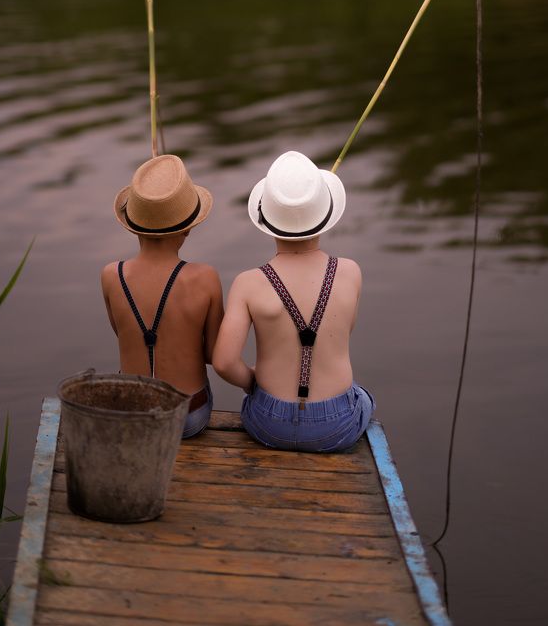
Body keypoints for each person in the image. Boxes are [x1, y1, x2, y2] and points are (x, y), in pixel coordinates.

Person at [213, 150, 375, 452]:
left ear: (265, 218)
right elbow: (343, 333)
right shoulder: (350, 272)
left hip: (268, 423)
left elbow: (223, 362)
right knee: (363, 397)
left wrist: (252, 383)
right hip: (336, 425)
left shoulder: (249, 283)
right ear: (326, 214)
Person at [101, 153, 223, 438]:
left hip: (130, 413)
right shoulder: (205, 278)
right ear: (189, 228)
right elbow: (213, 355)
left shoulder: (110, 275)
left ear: (133, 225)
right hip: (188, 416)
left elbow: (123, 334)